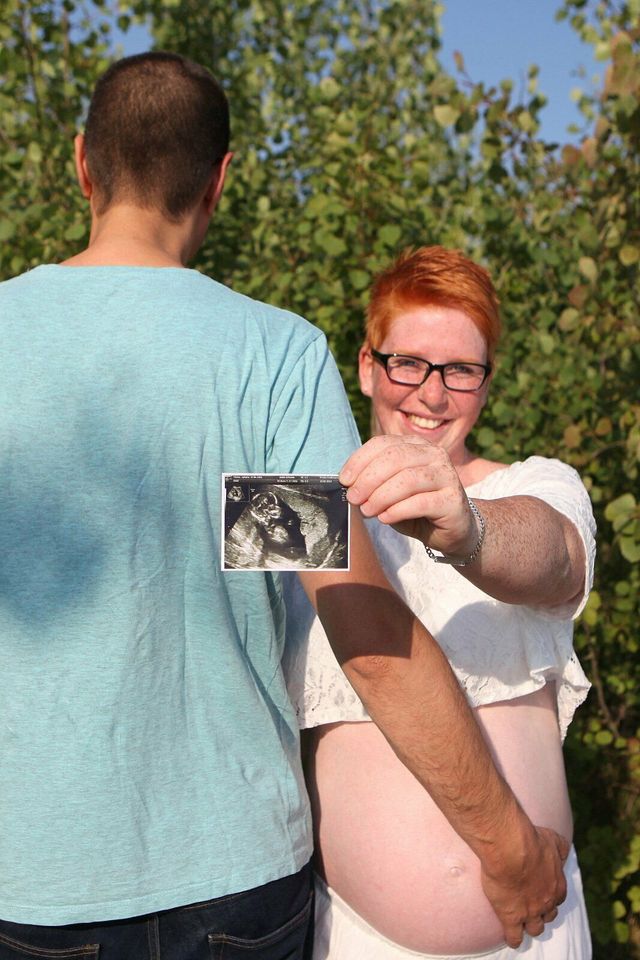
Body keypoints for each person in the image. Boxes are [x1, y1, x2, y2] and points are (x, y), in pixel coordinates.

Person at [0, 53, 568, 958]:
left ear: (81, 165)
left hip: (30, 879)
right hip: (230, 886)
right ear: (220, 180)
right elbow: (358, 624)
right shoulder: (265, 357)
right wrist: (509, 848)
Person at [284, 246, 596, 959]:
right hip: (357, 939)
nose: (431, 395)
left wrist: (469, 527)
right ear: (367, 366)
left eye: (461, 371)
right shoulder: (302, 510)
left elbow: (551, 554)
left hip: (538, 935)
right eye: (409, 364)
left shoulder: (544, 484)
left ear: (486, 385)